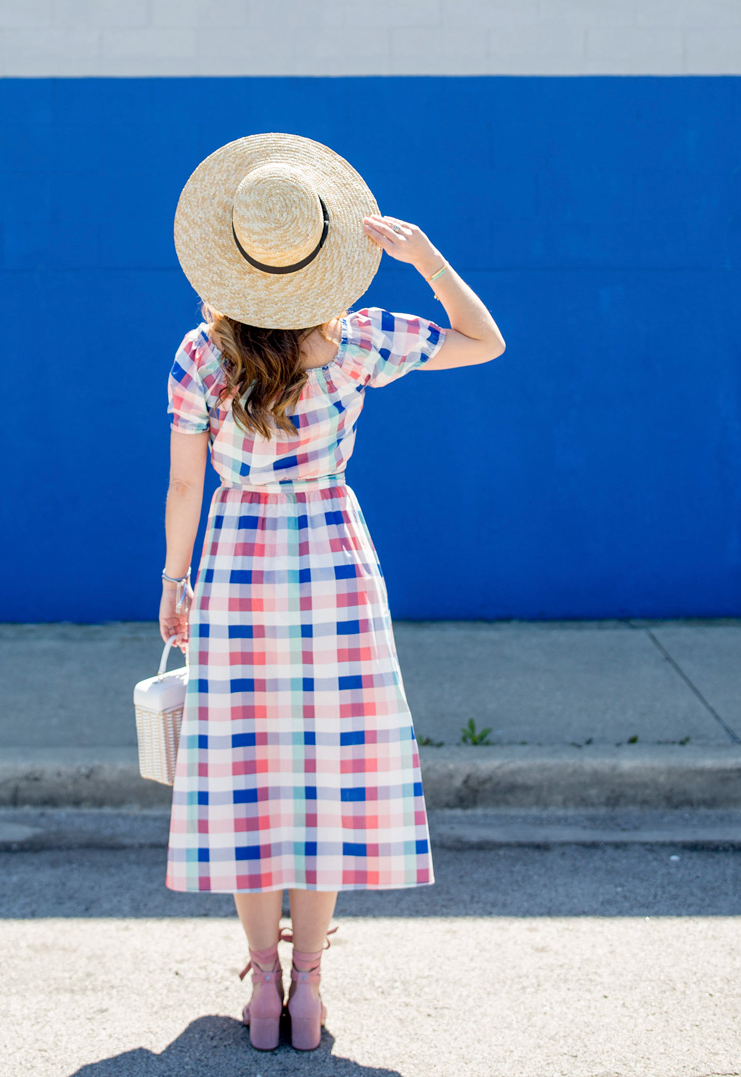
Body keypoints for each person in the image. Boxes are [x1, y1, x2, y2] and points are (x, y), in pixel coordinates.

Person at [159, 133, 506, 1052]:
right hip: (334, 564)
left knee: (247, 776)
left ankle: (263, 988)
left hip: (235, 563)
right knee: (319, 778)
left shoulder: (201, 352)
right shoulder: (353, 342)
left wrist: (173, 578)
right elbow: (485, 341)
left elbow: (184, 486)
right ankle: (310, 987)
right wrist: (423, 253)